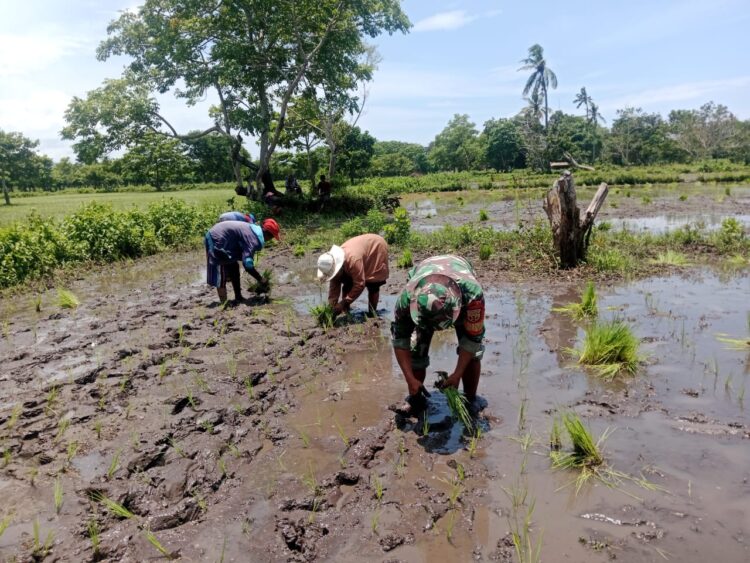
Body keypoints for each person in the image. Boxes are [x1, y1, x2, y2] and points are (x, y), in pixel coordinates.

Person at [391, 254, 485, 415]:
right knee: (416, 350)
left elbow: (472, 340)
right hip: (425, 273)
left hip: (458, 274)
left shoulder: (472, 296)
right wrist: (409, 378)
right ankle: (416, 398)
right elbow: (400, 340)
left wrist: (457, 374)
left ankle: (471, 399)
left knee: (473, 354)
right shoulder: (407, 299)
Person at [204, 218, 281, 304]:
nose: (269, 240)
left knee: (234, 267)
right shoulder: (253, 239)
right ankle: (224, 303)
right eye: (271, 237)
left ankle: (238, 297)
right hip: (216, 238)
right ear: (268, 235)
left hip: (223, 238)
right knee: (220, 271)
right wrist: (261, 279)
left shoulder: (253, 231)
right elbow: (247, 265)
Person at [317, 234, 389, 316]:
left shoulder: (353, 260)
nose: (334, 275)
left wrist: (343, 303)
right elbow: (334, 286)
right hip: (359, 252)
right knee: (347, 284)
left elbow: (360, 284)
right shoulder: (331, 263)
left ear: (338, 266)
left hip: (376, 247)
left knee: (373, 285)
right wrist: (331, 308)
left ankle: (372, 313)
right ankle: (346, 312)